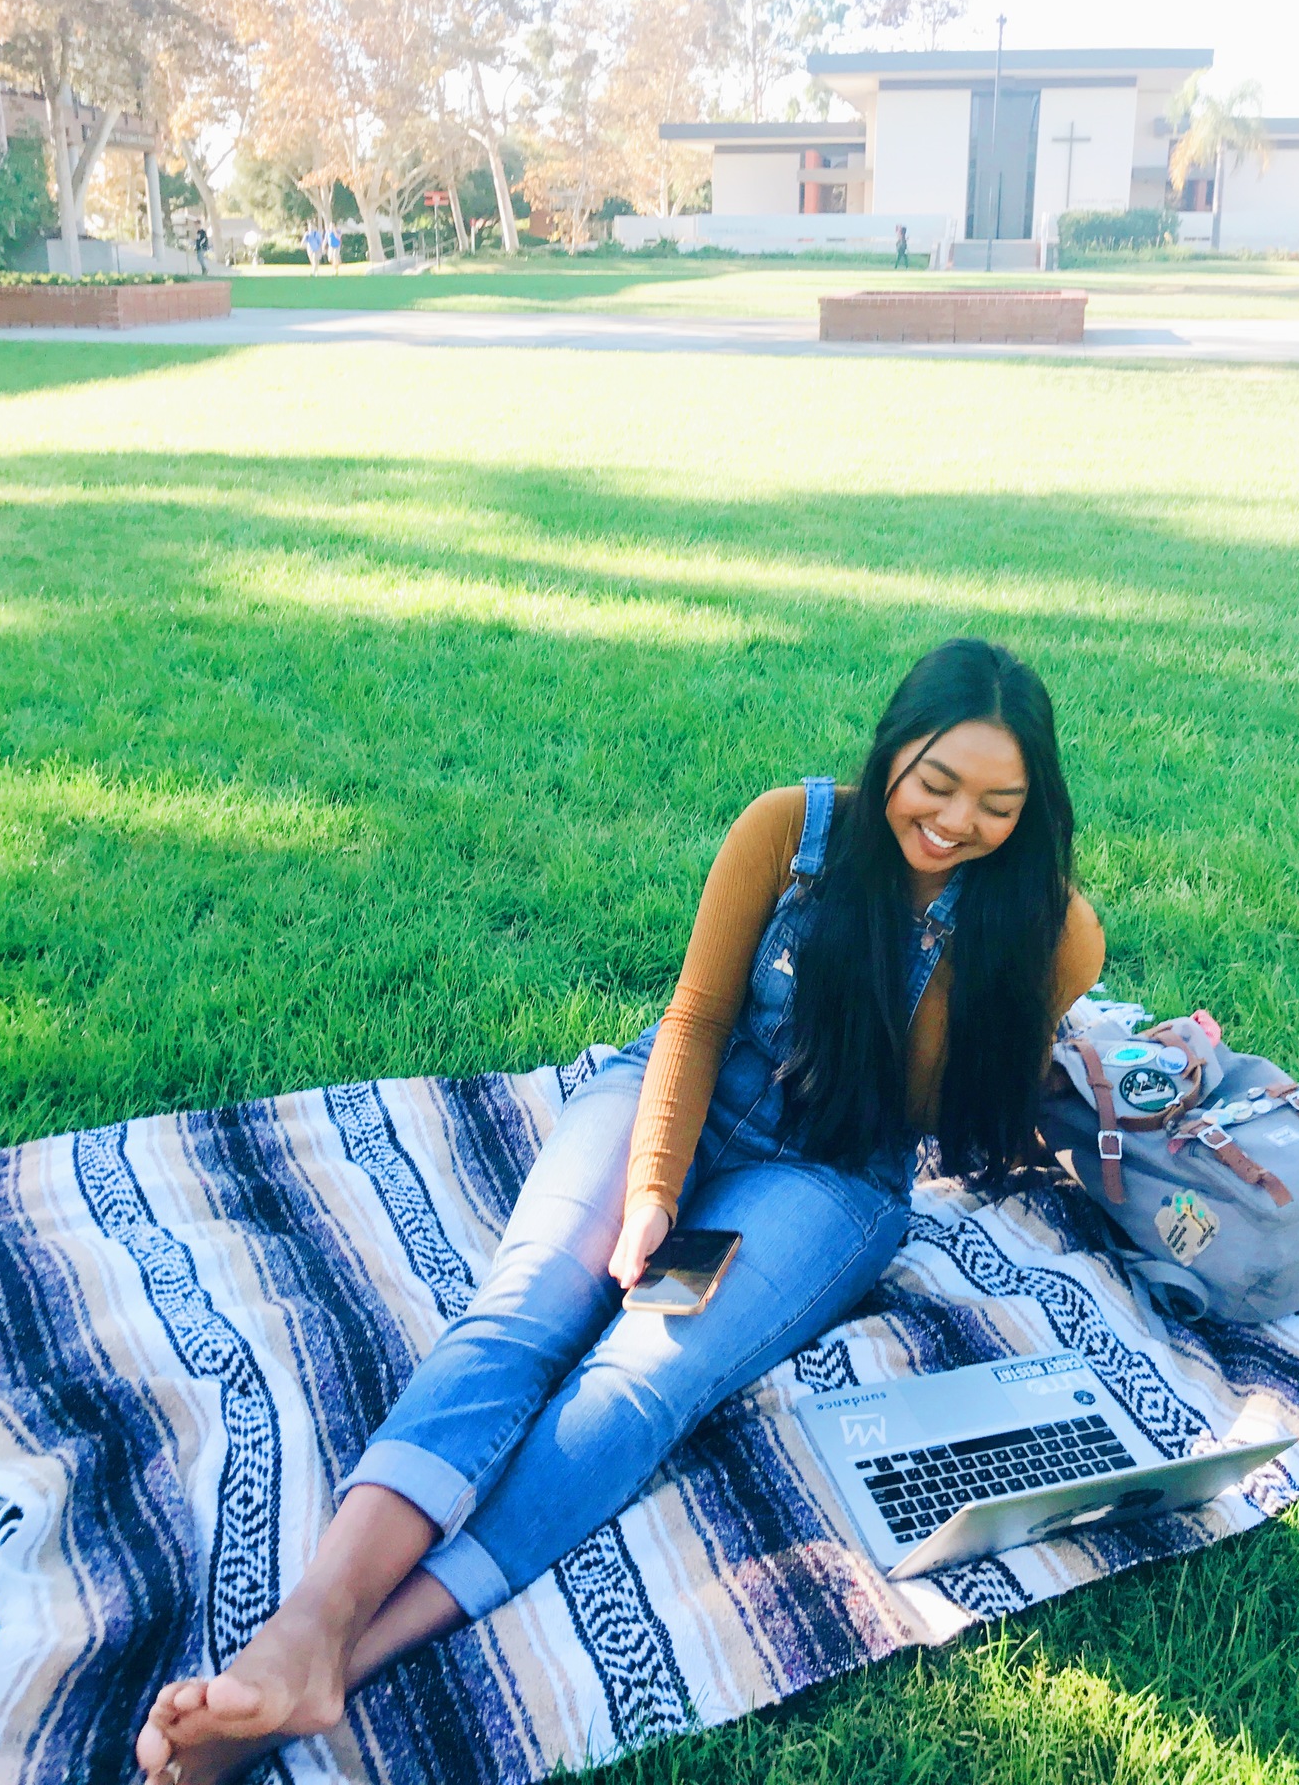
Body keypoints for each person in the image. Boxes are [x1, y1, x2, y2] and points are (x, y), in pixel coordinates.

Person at [136, 638, 1104, 1785]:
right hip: (675, 1098)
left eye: (999, 802)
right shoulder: (790, 833)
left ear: (1034, 804)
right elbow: (694, 1017)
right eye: (935, 781)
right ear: (892, 748)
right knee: (528, 1306)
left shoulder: (1052, 929)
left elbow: (957, 1107)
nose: (955, 820)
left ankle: (348, 1661)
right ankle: (304, 1623)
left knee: (642, 1371)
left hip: (824, 1179)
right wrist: (653, 1187)